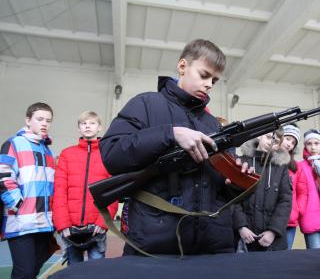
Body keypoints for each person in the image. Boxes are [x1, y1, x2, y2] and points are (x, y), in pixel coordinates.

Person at [99, 39, 251, 255]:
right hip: (155, 245)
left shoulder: (213, 125)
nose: (209, 84)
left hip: (211, 245)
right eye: (204, 75)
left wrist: (236, 181)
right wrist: (170, 134)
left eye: (214, 80)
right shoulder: (146, 104)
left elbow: (222, 193)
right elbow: (112, 153)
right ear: (182, 66)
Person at [52, 111, 118, 265]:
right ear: (78, 128)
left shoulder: (107, 155)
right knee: (74, 273)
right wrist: (63, 225)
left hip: (97, 228)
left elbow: (112, 192)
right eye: (83, 123)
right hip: (70, 229)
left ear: (99, 127)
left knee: (96, 272)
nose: (87, 126)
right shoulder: (67, 154)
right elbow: (59, 191)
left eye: (92, 123)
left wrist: (103, 223)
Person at [0, 102, 55, 279]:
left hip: (44, 222)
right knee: (24, 272)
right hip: (21, 220)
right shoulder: (13, 143)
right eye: (40, 119)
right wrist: (17, 204)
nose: (44, 123)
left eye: (48, 120)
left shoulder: (48, 151)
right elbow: (3, 176)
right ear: (28, 120)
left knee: (34, 268)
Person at [233, 130, 292, 251]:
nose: (271, 143)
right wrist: (241, 226)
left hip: (272, 240)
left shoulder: (281, 167)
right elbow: (233, 198)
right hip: (245, 236)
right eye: (268, 137)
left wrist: (273, 231)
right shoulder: (242, 161)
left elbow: (285, 201)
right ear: (259, 135)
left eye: (275, 141)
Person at [279, 124, 303, 249]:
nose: (289, 144)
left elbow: (301, 192)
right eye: (287, 139)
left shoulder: (295, 166)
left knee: (287, 254)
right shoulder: (266, 159)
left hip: (290, 218)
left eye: (293, 142)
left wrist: (298, 209)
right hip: (270, 218)